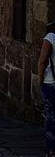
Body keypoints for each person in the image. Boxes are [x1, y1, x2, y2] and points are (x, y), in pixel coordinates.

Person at [39, 22, 55, 156]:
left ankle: (52, 149)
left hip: (51, 83)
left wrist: (39, 79)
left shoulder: (51, 37)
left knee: (51, 116)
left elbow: (43, 60)